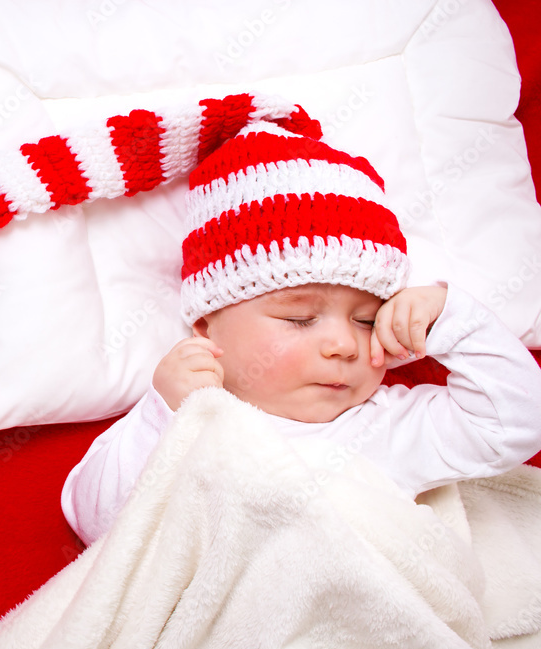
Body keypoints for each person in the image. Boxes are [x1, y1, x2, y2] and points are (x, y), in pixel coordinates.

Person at [62, 114, 541, 547]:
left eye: (367, 320)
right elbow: (99, 524)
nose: (342, 345)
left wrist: (450, 321)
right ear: (208, 327)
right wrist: (164, 414)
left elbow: (518, 424)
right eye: (300, 319)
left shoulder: (386, 426)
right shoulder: (185, 424)